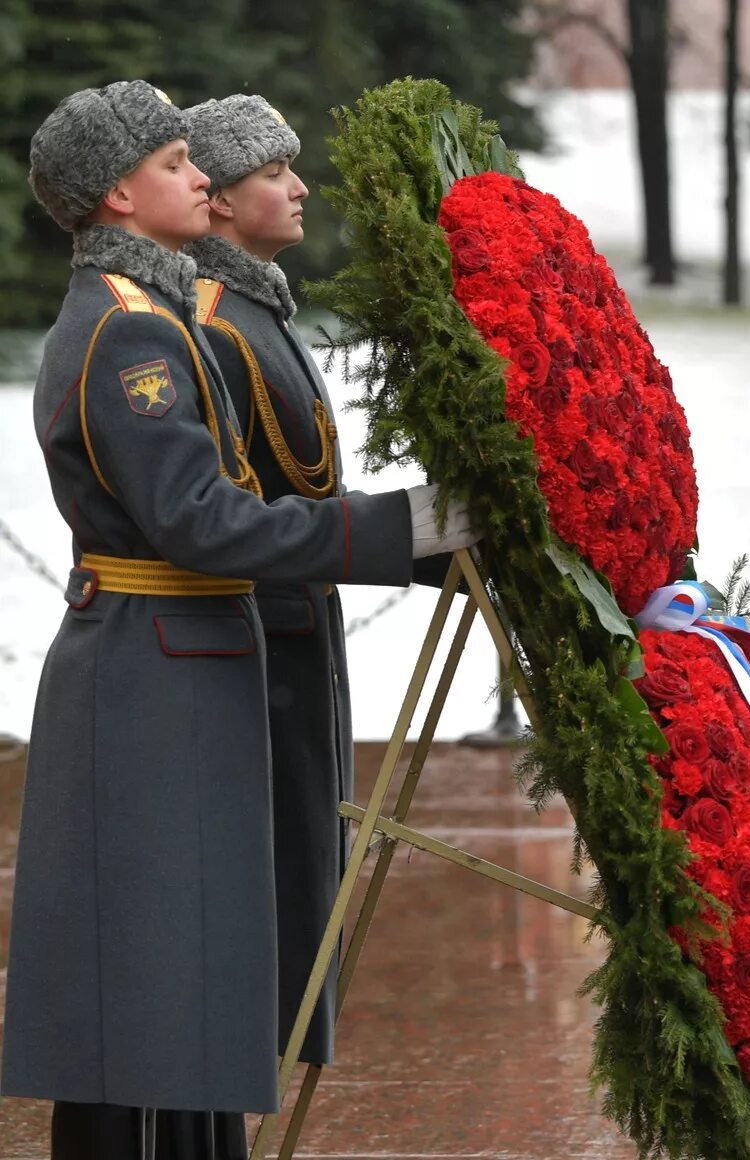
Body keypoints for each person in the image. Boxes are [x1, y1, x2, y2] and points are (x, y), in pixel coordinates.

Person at [4, 81, 477, 1160]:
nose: (202, 179)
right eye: (177, 164)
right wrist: (397, 533)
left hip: (182, 664)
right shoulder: (131, 335)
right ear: (119, 194)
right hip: (154, 670)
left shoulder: (157, 312)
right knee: (143, 994)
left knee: (188, 985)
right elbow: (204, 524)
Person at [182, 93, 365, 1084]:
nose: (298, 187)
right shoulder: (215, 322)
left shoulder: (256, 307)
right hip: (267, 637)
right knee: (277, 896)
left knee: (310, 879)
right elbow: (234, 508)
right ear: (217, 202)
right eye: (271, 174)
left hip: (305, 624)